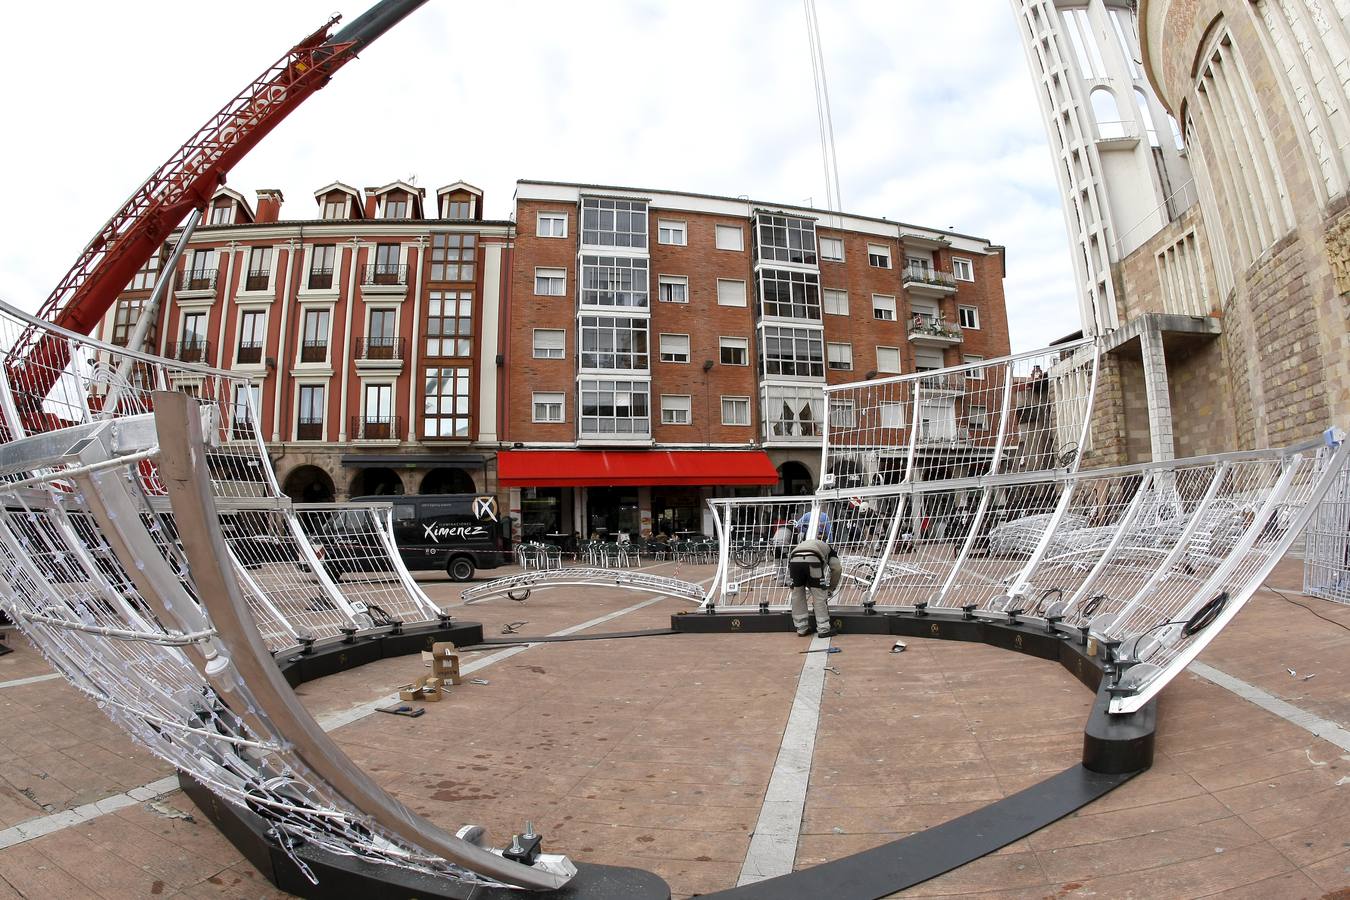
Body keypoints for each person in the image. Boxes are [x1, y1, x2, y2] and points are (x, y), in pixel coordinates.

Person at [787, 536, 843, 638]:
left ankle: (801, 628)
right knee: (819, 595)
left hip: (794, 561)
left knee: (797, 595)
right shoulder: (831, 551)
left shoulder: (808, 544)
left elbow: (802, 570)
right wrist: (830, 588)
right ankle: (824, 629)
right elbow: (837, 569)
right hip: (813, 560)